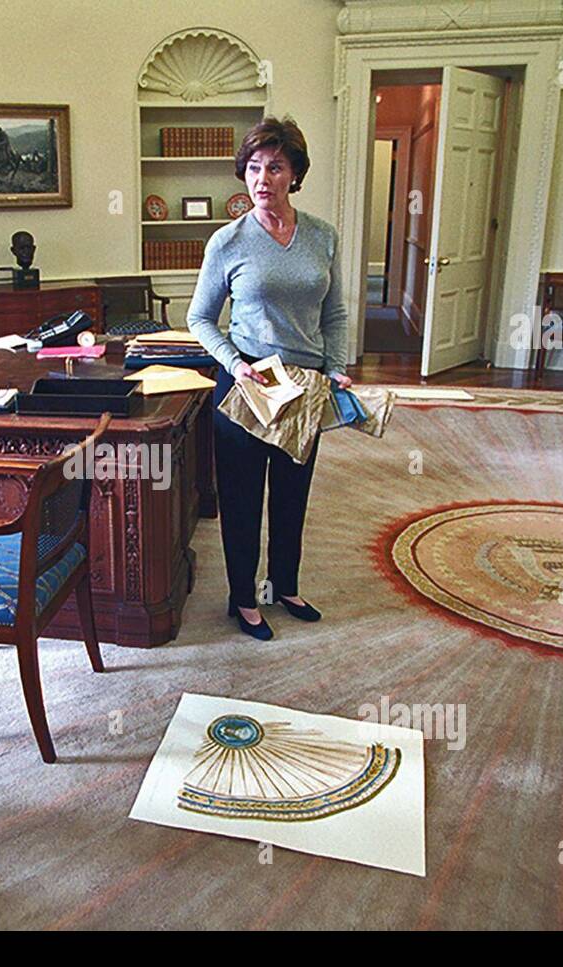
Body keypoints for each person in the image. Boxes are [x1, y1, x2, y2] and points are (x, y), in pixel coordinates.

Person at [187, 116, 349, 641]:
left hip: (305, 385)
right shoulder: (227, 241)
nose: (261, 179)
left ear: (294, 173)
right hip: (248, 383)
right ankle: (242, 598)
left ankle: (285, 584)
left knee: (291, 492)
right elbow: (200, 318)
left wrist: (337, 368)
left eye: (274, 167)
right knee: (241, 497)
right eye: (253, 168)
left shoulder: (323, 236)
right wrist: (235, 364)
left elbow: (336, 314)